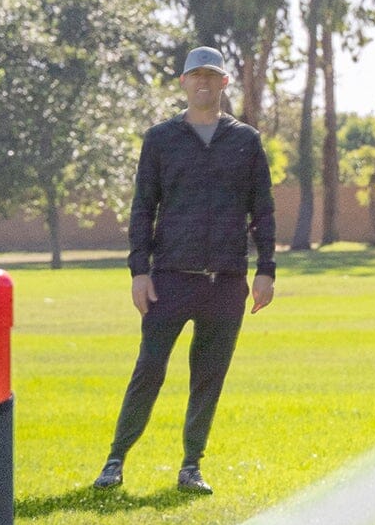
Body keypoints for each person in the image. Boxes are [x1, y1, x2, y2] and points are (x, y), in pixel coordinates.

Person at [95, 44, 277, 496]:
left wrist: (266, 270)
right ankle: (115, 461)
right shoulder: (160, 139)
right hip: (169, 280)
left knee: (208, 377)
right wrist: (139, 271)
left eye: (211, 76)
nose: (203, 82)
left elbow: (263, 210)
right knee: (149, 369)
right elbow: (143, 208)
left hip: (227, 282)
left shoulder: (245, 141)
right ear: (183, 82)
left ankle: (191, 466)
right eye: (196, 75)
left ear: (223, 83)